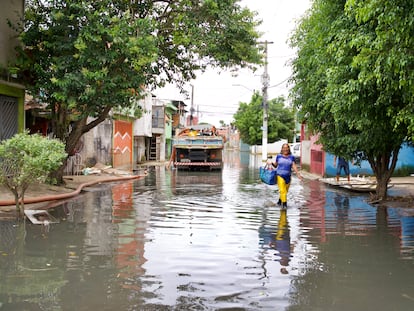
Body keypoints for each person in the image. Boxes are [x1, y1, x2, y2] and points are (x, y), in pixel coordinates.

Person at [267, 143, 303, 208]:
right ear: (282, 149)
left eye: (287, 148)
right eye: (284, 148)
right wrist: (271, 163)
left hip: (288, 177)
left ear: (289, 149)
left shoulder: (292, 157)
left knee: (285, 192)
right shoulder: (279, 156)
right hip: (280, 175)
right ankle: (284, 205)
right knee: (283, 191)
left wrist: (298, 174)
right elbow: (275, 165)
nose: (285, 149)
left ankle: (279, 202)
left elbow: (293, 166)